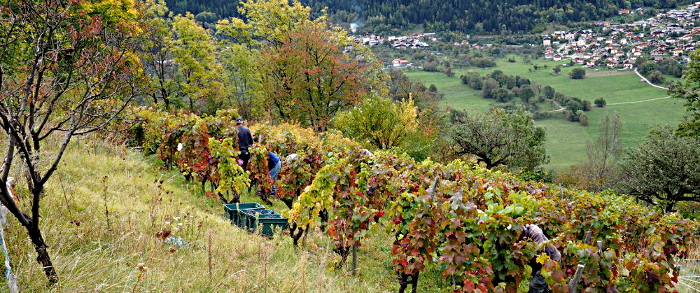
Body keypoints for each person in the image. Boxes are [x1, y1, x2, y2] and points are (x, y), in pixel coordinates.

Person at [522, 224, 561, 293]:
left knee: (535, 287)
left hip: (550, 261)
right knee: (543, 287)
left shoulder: (535, 232)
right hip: (536, 263)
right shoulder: (517, 236)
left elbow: (540, 254)